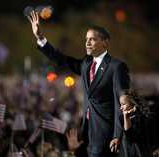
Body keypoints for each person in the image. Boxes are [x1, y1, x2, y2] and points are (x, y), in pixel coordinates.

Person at [27, 11, 130, 157]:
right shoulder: (86, 64)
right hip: (87, 134)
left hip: (108, 138)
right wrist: (41, 38)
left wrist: (117, 135)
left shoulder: (116, 67)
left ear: (105, 42)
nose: (87, 42)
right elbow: (61, 59)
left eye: (92, 39)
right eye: (86, 39)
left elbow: (121, 105)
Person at [119, 90, 152, 157]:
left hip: (139, 152)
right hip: (126, 152)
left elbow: (131, 137)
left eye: (123, 104)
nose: (121, 108)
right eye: (120, 104)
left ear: (133, 104)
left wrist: (126, 117)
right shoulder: (121, 117)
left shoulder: (140, 118)